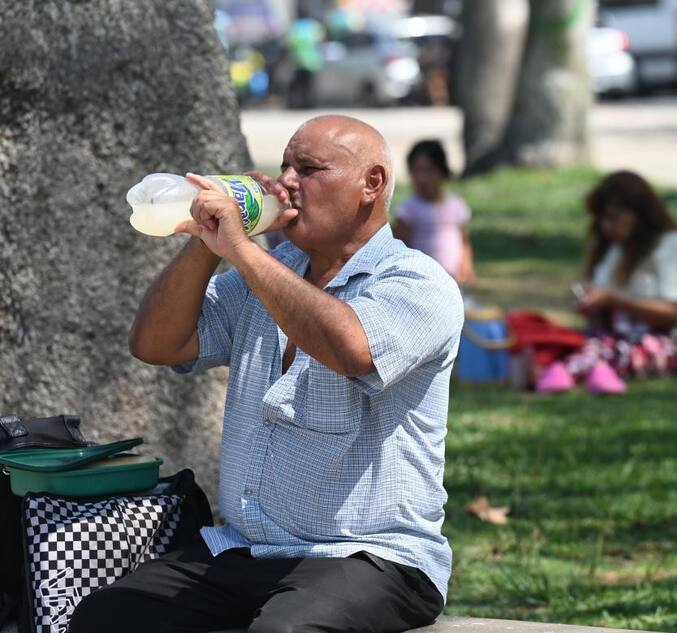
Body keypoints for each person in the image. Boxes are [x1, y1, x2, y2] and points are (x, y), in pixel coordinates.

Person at [69, 115, 463, 633]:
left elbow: (350, 349)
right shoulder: (266, 276)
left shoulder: (417, 283)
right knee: (107, 617)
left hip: (371, 558)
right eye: (285, 167)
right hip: (246, 550)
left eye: (310, 168)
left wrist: (243, 250)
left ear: (372, 184)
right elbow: (156, 344)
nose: (289, 182)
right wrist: (203, 242)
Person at [536, 171, 677, 394]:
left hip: (660, 345)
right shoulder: (614, 248)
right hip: (608, 338)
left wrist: (616, 301)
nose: (606, 226)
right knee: (562, 341)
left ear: (639, 214)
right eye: (602, 218)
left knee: (603, 350)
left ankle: (573, 373)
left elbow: (673, 314)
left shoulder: (672, 245)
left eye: (613, 217)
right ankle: (577, 371)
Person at [393, 140, 475, 285]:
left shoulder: (456, 206)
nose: (422, 178)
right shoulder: (408, 210)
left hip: (453, 280)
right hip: (422, 282)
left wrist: (466, 268)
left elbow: (464, 242)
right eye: (416, 171)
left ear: (443, 171)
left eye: (429, 171)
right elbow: (400, 248)